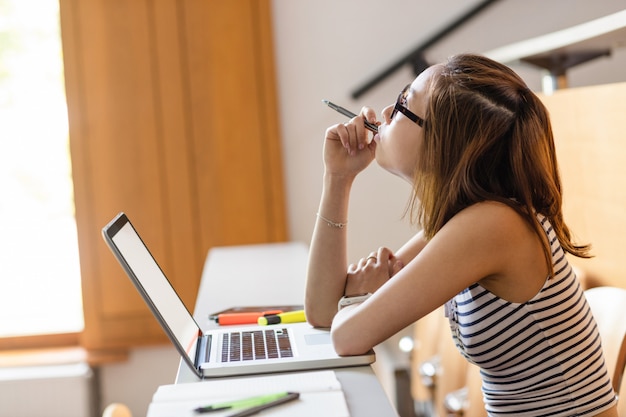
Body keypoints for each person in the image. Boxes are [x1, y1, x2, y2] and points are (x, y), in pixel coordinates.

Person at [305, 54, 618, 417]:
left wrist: (357, 302)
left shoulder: (491, 227)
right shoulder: (470, 220)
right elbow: (323, 313)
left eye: (405, 102)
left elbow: (346, 337)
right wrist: (338, 179)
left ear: (443, 141)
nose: (387, 110)